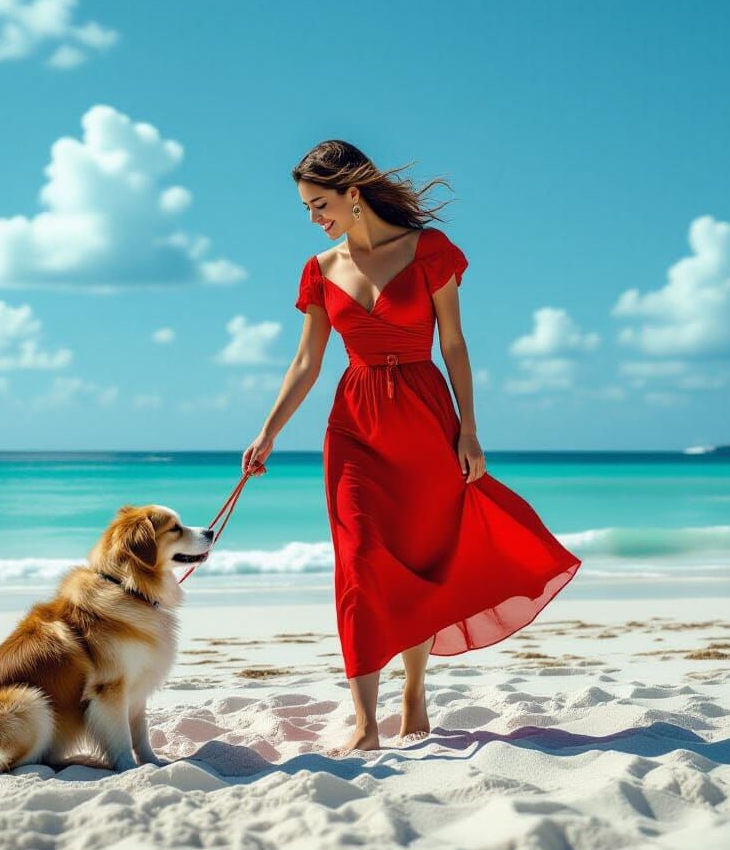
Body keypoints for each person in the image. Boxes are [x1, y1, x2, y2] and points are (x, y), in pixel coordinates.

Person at [241, 139, 582, 757]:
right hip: (355, 425)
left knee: (419, 558)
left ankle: (415, 689)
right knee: (362, 562)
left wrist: (470, 428)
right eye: (305, 207)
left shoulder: (430, 253)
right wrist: (268, 432)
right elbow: (306, 362)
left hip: (426, 420)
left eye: (319, 203)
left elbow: (454, 344)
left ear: (353, 193)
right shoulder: (319, 268)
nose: (313, 217)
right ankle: (365, 720)